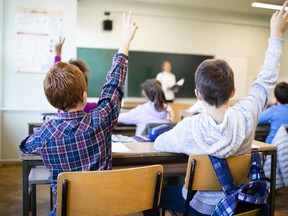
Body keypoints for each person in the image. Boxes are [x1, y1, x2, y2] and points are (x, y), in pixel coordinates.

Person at [153, 2, 288, 215]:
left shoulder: (189, 127)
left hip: (200, 208)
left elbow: (159, 143)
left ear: (198, 94)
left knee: (154, 194)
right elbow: (266, 79)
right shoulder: (247, 114)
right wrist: (275, 34)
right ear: (233, 91)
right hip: (237, 204)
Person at [19, 12, 138, 216]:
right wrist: (125, 41)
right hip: (102, 210)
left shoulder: (45, 134)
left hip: (65, 211)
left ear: (51, 101)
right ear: (85, 96)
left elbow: (25, 145)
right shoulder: (100, 119)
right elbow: (114, 84)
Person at [54, 37, 98, 113]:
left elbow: (56, 75)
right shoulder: (93, 108)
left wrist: (58, 54)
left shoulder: (61, 108)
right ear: (85, 90)